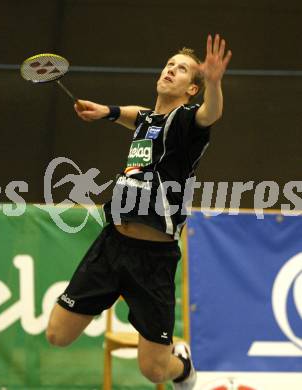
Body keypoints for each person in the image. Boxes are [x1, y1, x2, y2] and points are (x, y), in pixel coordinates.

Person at [46, 34, 232, 389]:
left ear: (191, 89)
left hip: (153, 258)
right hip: (112, 245)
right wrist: (108, 112)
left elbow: (212, 113)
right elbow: (140, 115)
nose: (171, 70)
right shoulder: (150, 121)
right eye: (169, 64)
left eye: (181, 70)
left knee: (155, 371)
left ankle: (185, 366)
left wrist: (215, 82)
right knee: (57, 335)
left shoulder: (186, 123)